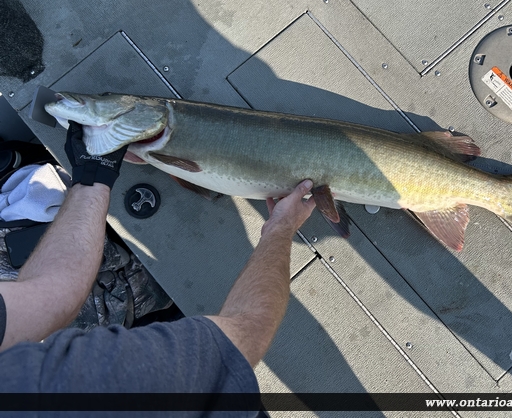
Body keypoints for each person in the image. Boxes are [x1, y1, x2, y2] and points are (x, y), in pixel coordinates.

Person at [0, 121, 316, 411]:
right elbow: (246, 333)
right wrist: (281, 227)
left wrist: (94, 176)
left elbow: (49, 296)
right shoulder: (81, 385)